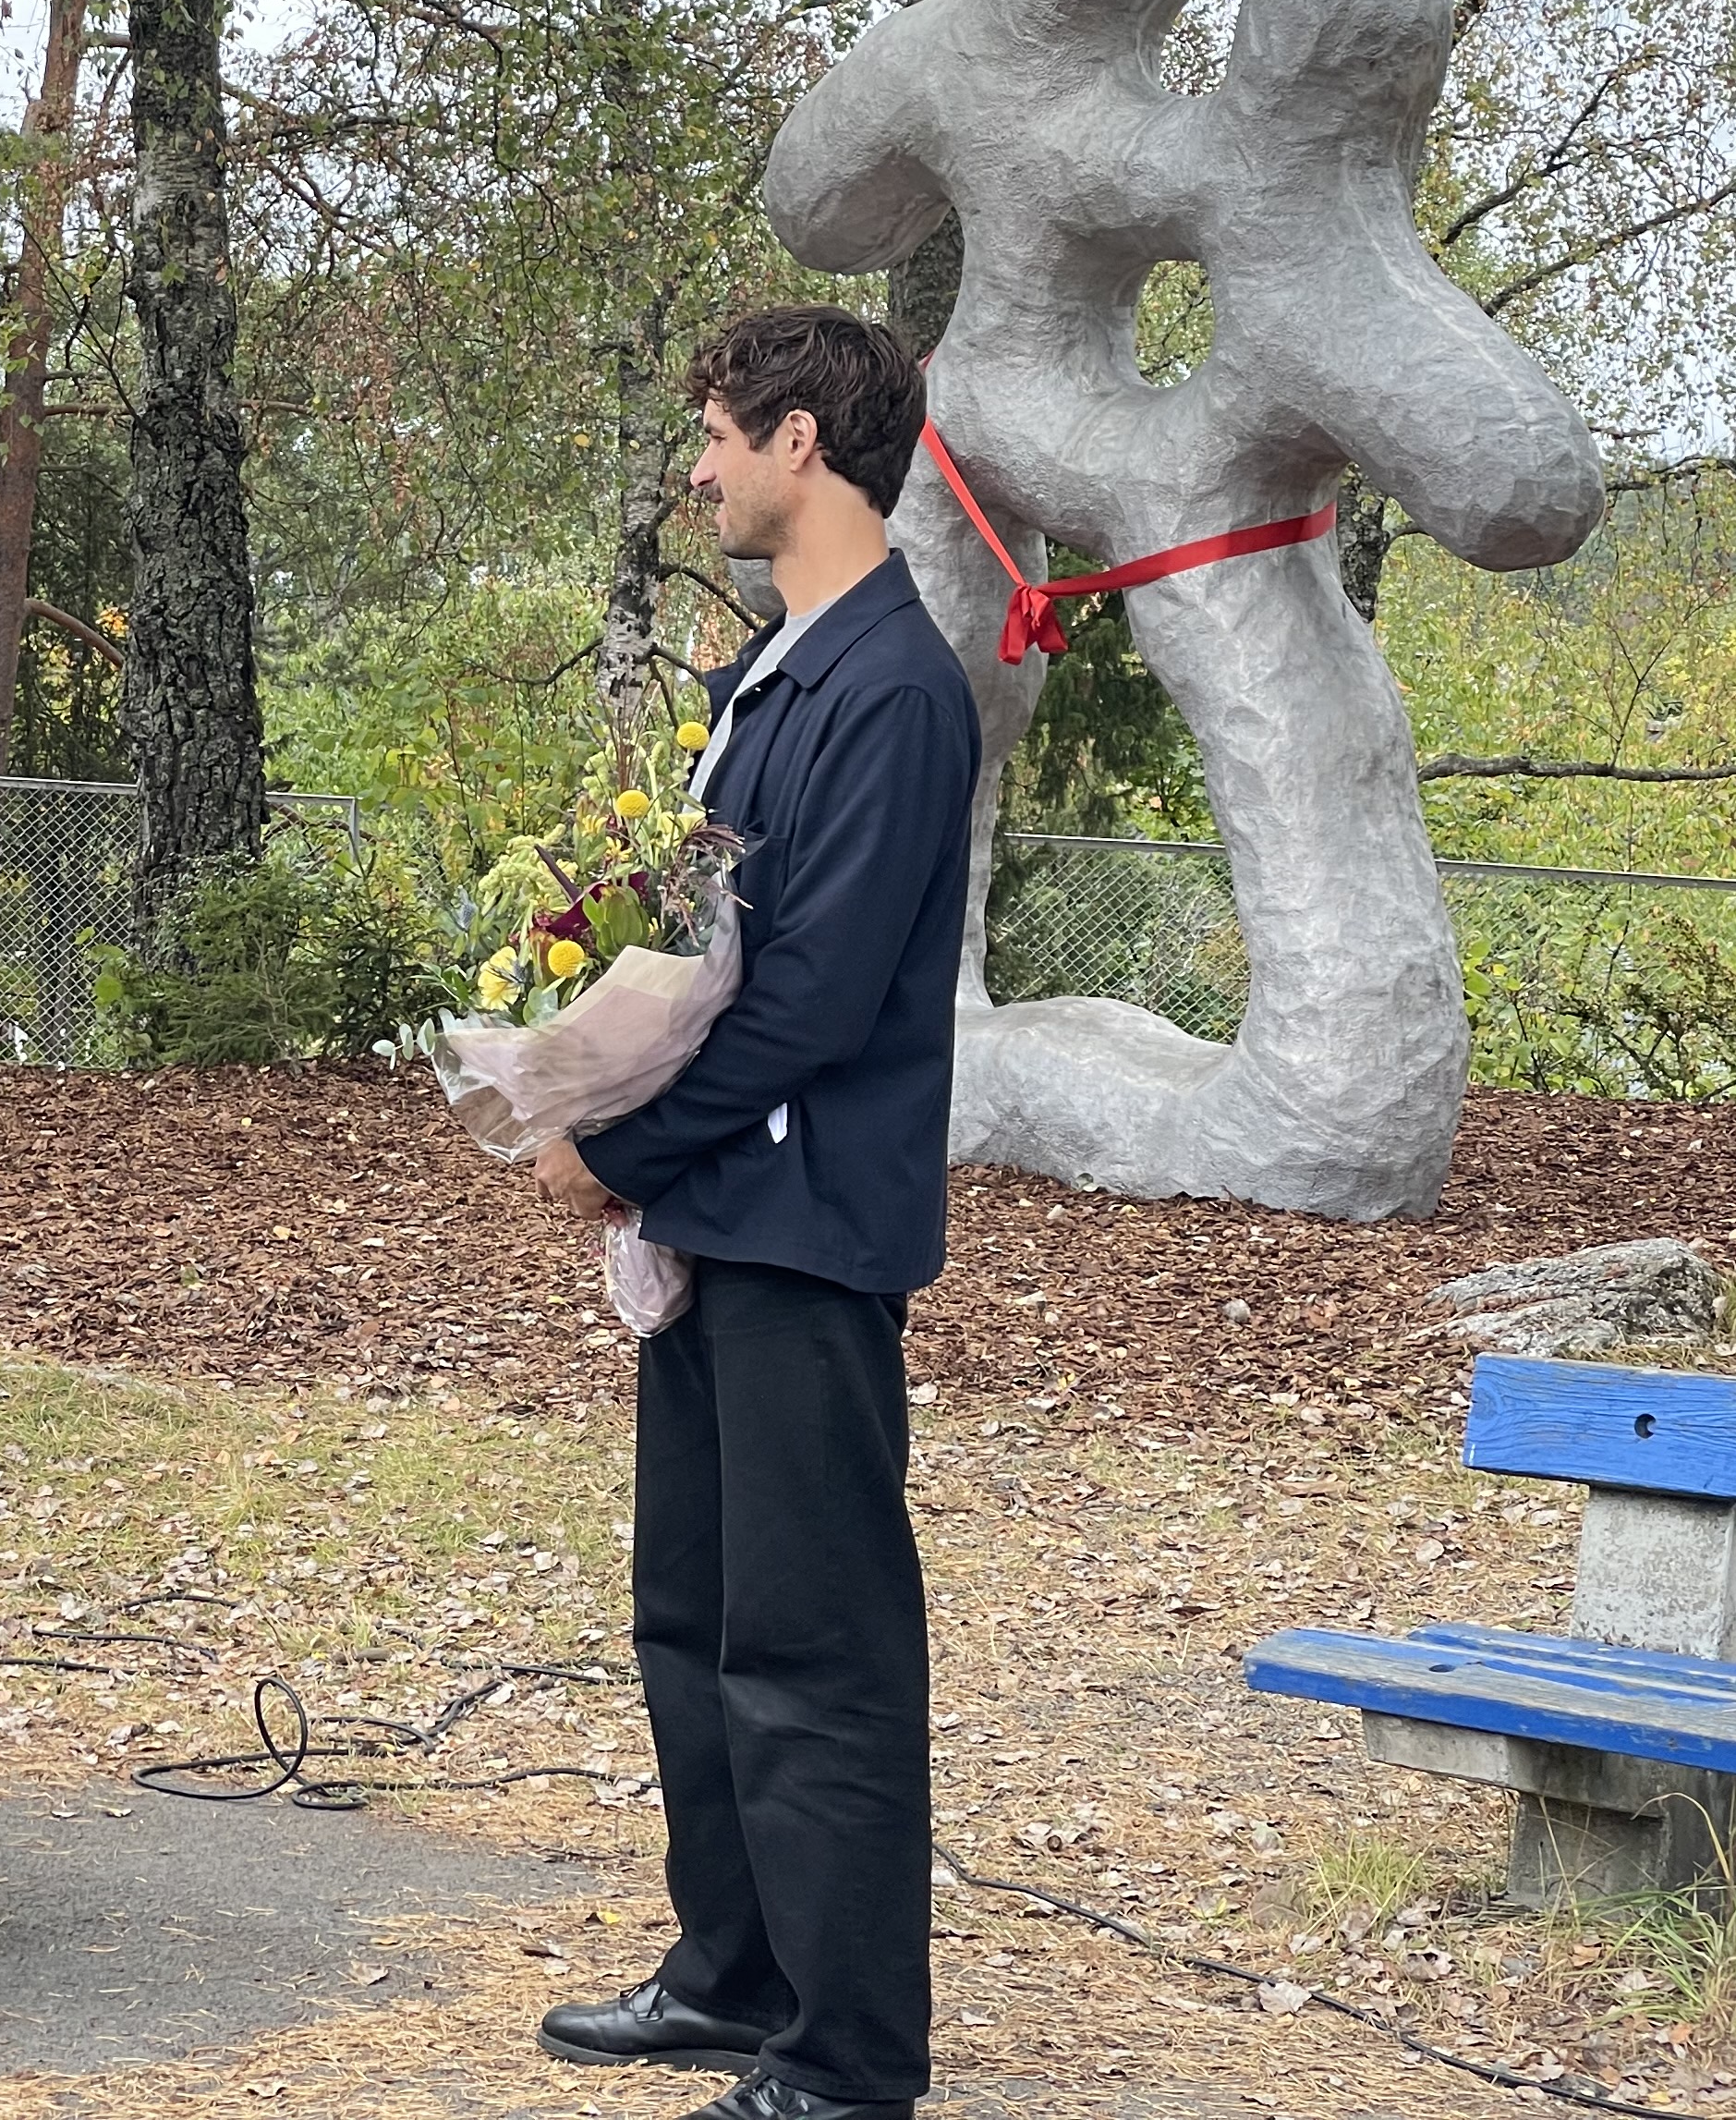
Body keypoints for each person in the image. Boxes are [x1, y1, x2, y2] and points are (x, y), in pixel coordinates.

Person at [530, 307, 977, 2120]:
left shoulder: (890, 688)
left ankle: (852, 2057)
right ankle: (733, 1974)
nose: (695, 469)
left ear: (803, 442)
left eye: (714, 433)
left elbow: (813, 1004)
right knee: (695, 1624)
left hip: (804, 1238)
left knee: (815, 1653)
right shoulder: (775, 671)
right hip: (725, 1223)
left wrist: (614, 1147)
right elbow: (707, 949)